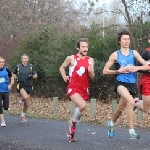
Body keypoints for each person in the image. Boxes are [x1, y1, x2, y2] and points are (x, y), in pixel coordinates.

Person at [103, 30, 148, 139]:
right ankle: (132, 131)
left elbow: (146, 66)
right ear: (119, 41)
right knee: (131, 102)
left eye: (128, 39)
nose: (127, 41)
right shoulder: (115, 54)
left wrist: (136, 68)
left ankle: (111, 123)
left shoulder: (134, 53)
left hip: (132, 84)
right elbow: (105, 71)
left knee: (120, 108)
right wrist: (119, 71)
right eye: (124, 39)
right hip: (120, 83)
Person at [59, 38, 95, 142]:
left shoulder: (90, 60)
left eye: (86, 47)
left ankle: (72, 131)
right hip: (73, 87)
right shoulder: (71, 58)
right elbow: (61, 67)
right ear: (78, 48)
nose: (85, 49)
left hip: (84, 88)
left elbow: (92, 77)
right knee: (82, 105)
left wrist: (91, 71)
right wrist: (64, 76)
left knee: (80, 110)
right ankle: (72, 124)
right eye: (83, 47)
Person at [12, 54, 37, 122]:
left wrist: (32, 76)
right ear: (21, 59)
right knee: (25, 97)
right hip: (21, 85)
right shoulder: (18, 66)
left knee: (27, 104)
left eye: (26, 58)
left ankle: (22, 115)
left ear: (28, 59)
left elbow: (35, 75)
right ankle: (21, 100)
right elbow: (13, 73)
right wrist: (16, 78)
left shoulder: (31, 66)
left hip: (28, 85)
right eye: (24, 58)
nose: (25, 60)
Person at [134, 35, 150, 112]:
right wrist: (148, 71)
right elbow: (137, 67)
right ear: (149, 40)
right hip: (147, 81)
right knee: (146, 109)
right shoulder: (147, 53)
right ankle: (135, 103)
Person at [0, 57, 14, 127]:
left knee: (5, 107)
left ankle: (4, 104)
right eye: (0, 62)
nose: (1, 63)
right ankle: (3, 121)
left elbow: (12, 77)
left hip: (5, 90)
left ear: (4, 63)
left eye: (2, 62)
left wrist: (10, 85)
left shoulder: (6, 70)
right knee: (0, 106)